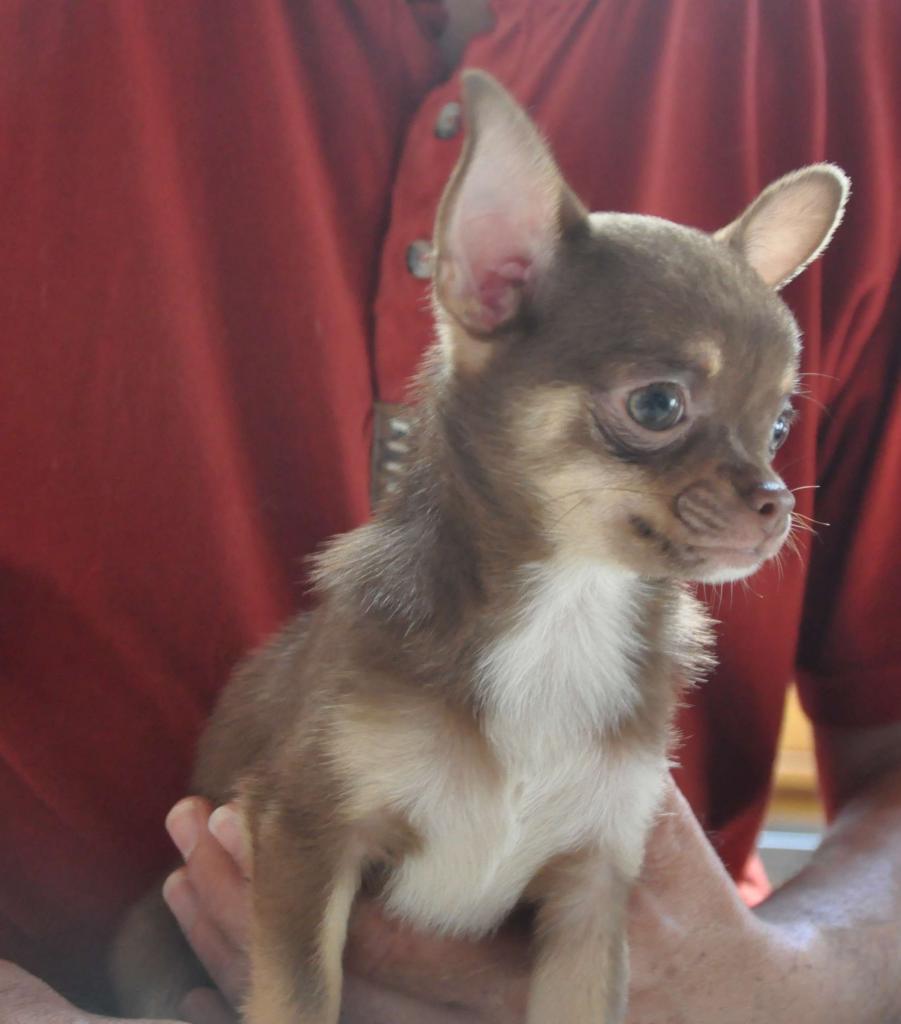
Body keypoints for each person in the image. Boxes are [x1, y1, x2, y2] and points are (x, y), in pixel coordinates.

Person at [1, 1, 899, 1021]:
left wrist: (784, 983)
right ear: (490, 274)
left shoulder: (846, 39)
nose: (766, 490)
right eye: (656, 409)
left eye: (775, 424)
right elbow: (301, 827)